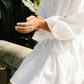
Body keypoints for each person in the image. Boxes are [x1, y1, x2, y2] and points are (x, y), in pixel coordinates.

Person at [9, 0, 84, 84]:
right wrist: (36, 21)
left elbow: (73, 27)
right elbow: (43, 13)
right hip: (43, 48)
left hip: (63, 52)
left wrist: (41, 23)